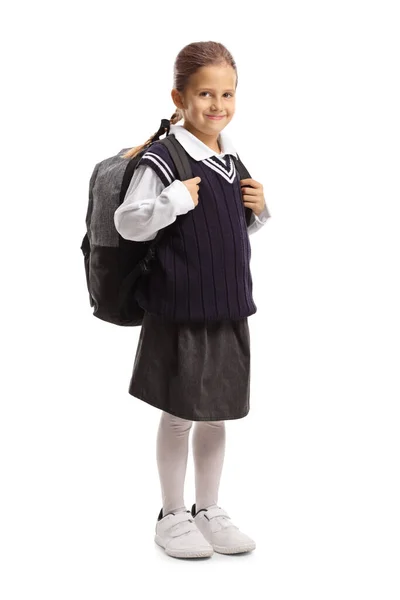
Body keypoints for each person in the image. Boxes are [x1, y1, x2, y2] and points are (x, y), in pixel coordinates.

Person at [114, 41, 271, 559]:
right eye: (205, 93)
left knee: (216, 413)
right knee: (181, 414)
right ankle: (171, 513)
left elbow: (226, 232)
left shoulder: (229, 159)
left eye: (227, 93)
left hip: (226, 307)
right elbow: (128, 223)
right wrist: (172, 200)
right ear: (178, 96)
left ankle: (210, 508)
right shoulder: (163, 159)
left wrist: (259, 209)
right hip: (179, 309)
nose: (218, 104)